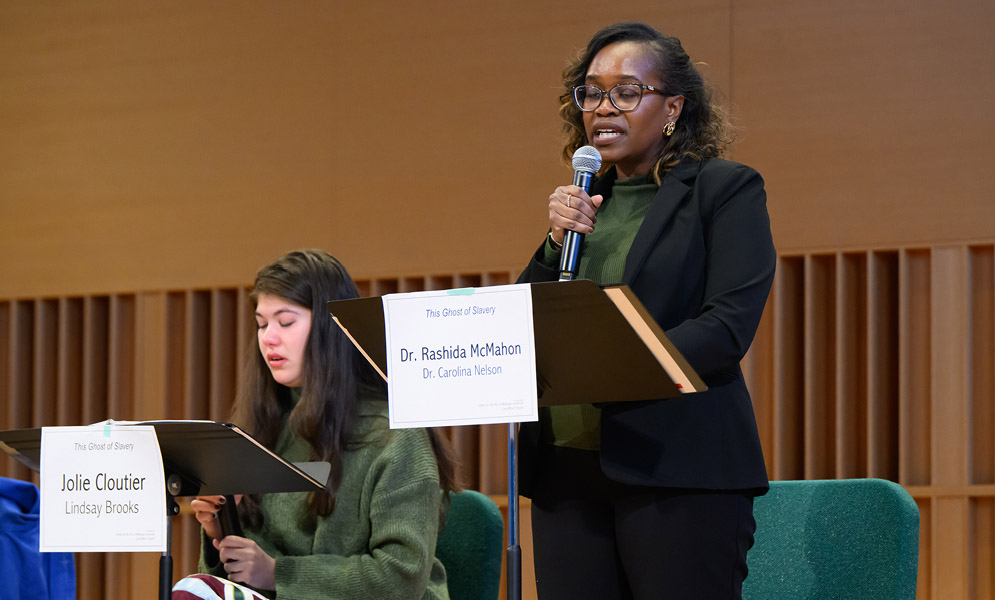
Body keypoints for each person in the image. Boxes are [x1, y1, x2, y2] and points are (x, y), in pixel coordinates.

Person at [516, 22, 776, 600]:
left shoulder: (723, 190)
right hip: (565, 478)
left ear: (672, 108)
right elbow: (523, 328)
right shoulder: (584, 205)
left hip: (677, 470)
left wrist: (611, 367)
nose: (603, 108)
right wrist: (554, 244)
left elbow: (726, 327)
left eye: (626, 92)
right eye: (591, 92)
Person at [172, 249, 458, 600]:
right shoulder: (260, 428)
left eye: (285, 322)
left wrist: (277, 573)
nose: (268, 338)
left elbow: (401, 578)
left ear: (329, 328)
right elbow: (239, 583)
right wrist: (220, 531)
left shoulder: (396, 436)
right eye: (262, 324)